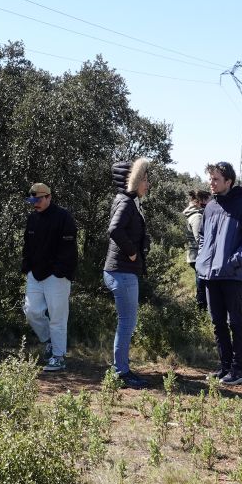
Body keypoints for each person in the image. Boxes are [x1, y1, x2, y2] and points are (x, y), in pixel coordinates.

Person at [195, 162, 242, 384]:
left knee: (235, 322)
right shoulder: (210, 206)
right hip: (209, 274)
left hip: (231, 275)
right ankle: (224, 367)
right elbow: (203, 236)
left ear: (228, 182)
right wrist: (203, 258)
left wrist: (235, 261)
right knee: (217, 323)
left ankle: (237, 370)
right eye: (210, 179)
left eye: (216, 179)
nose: (211, 183)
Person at [103, 158, 152, 389]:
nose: (147, 184)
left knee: (127, 323)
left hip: (121, 272)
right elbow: (114, 229)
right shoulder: (126, 201)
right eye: (144, 179)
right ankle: (121, 372)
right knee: (127, 323)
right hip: (122, 272)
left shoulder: (127, 200)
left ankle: (121, 368)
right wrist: (132, 253)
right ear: (133, 180)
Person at [21, 181, 77, 372]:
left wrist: (59, 271)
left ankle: (58, 357)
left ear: (49, 197)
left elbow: (69, 249)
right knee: (31, 311)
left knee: (57, 318)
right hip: (35, 274)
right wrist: (27, 267)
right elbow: (27, 245)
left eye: (38, 200)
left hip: (57, 276)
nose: (35, 204)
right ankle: (50, 341)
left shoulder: (64, 217)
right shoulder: (32, 218)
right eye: (33, 201)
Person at [182, 189, 210, 309]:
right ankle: (202, 307)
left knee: (202, 281)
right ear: (200, 201)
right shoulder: (197, 217)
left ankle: (202, 306)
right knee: (202, 283)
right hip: (198, 255)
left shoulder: (196, 214)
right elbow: (200, 239)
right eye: (208, 201)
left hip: (196, 255)